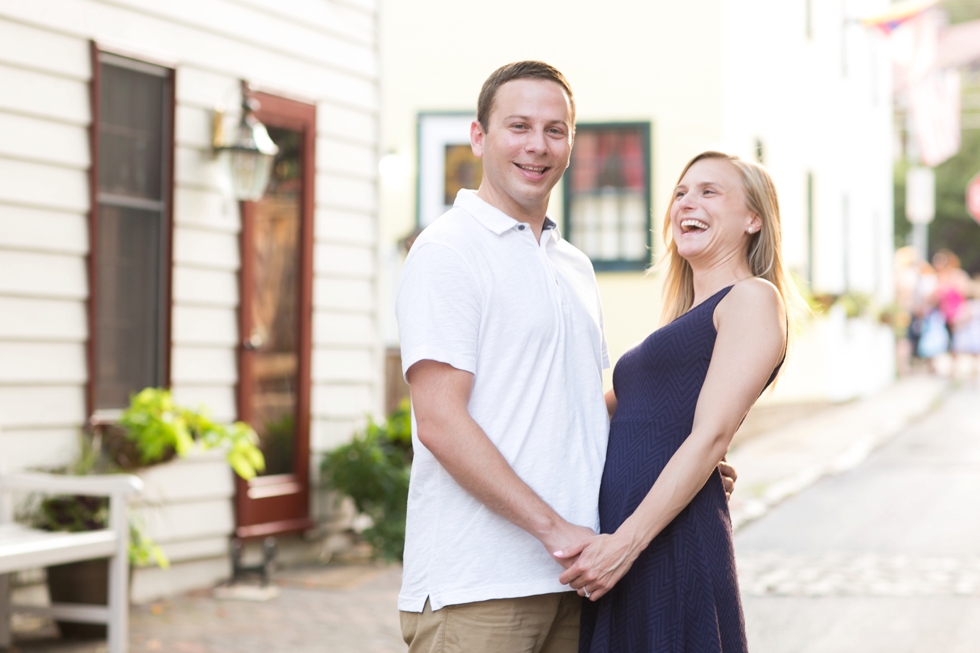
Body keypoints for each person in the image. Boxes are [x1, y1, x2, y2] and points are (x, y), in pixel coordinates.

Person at [395, 62, 736, 653]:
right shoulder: (448, 250)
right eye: (519, 126)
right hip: (479, 585)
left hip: (576, 584)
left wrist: (670, 457)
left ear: (572, 144)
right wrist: (557, 532)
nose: (537, 145)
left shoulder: (572, 266)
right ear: (479, 137)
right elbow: (440, 423)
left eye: (555, 130)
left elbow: (580, 409)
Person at [557, 151, 797, 653]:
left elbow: (709, 434)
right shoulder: (676, 324)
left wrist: (624, 545)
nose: (687, 201)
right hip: (622, 546)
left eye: (710, 191)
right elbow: (600, 418)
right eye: (681, 193)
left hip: (663, 546)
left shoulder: (751, 298)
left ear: (753, 219)